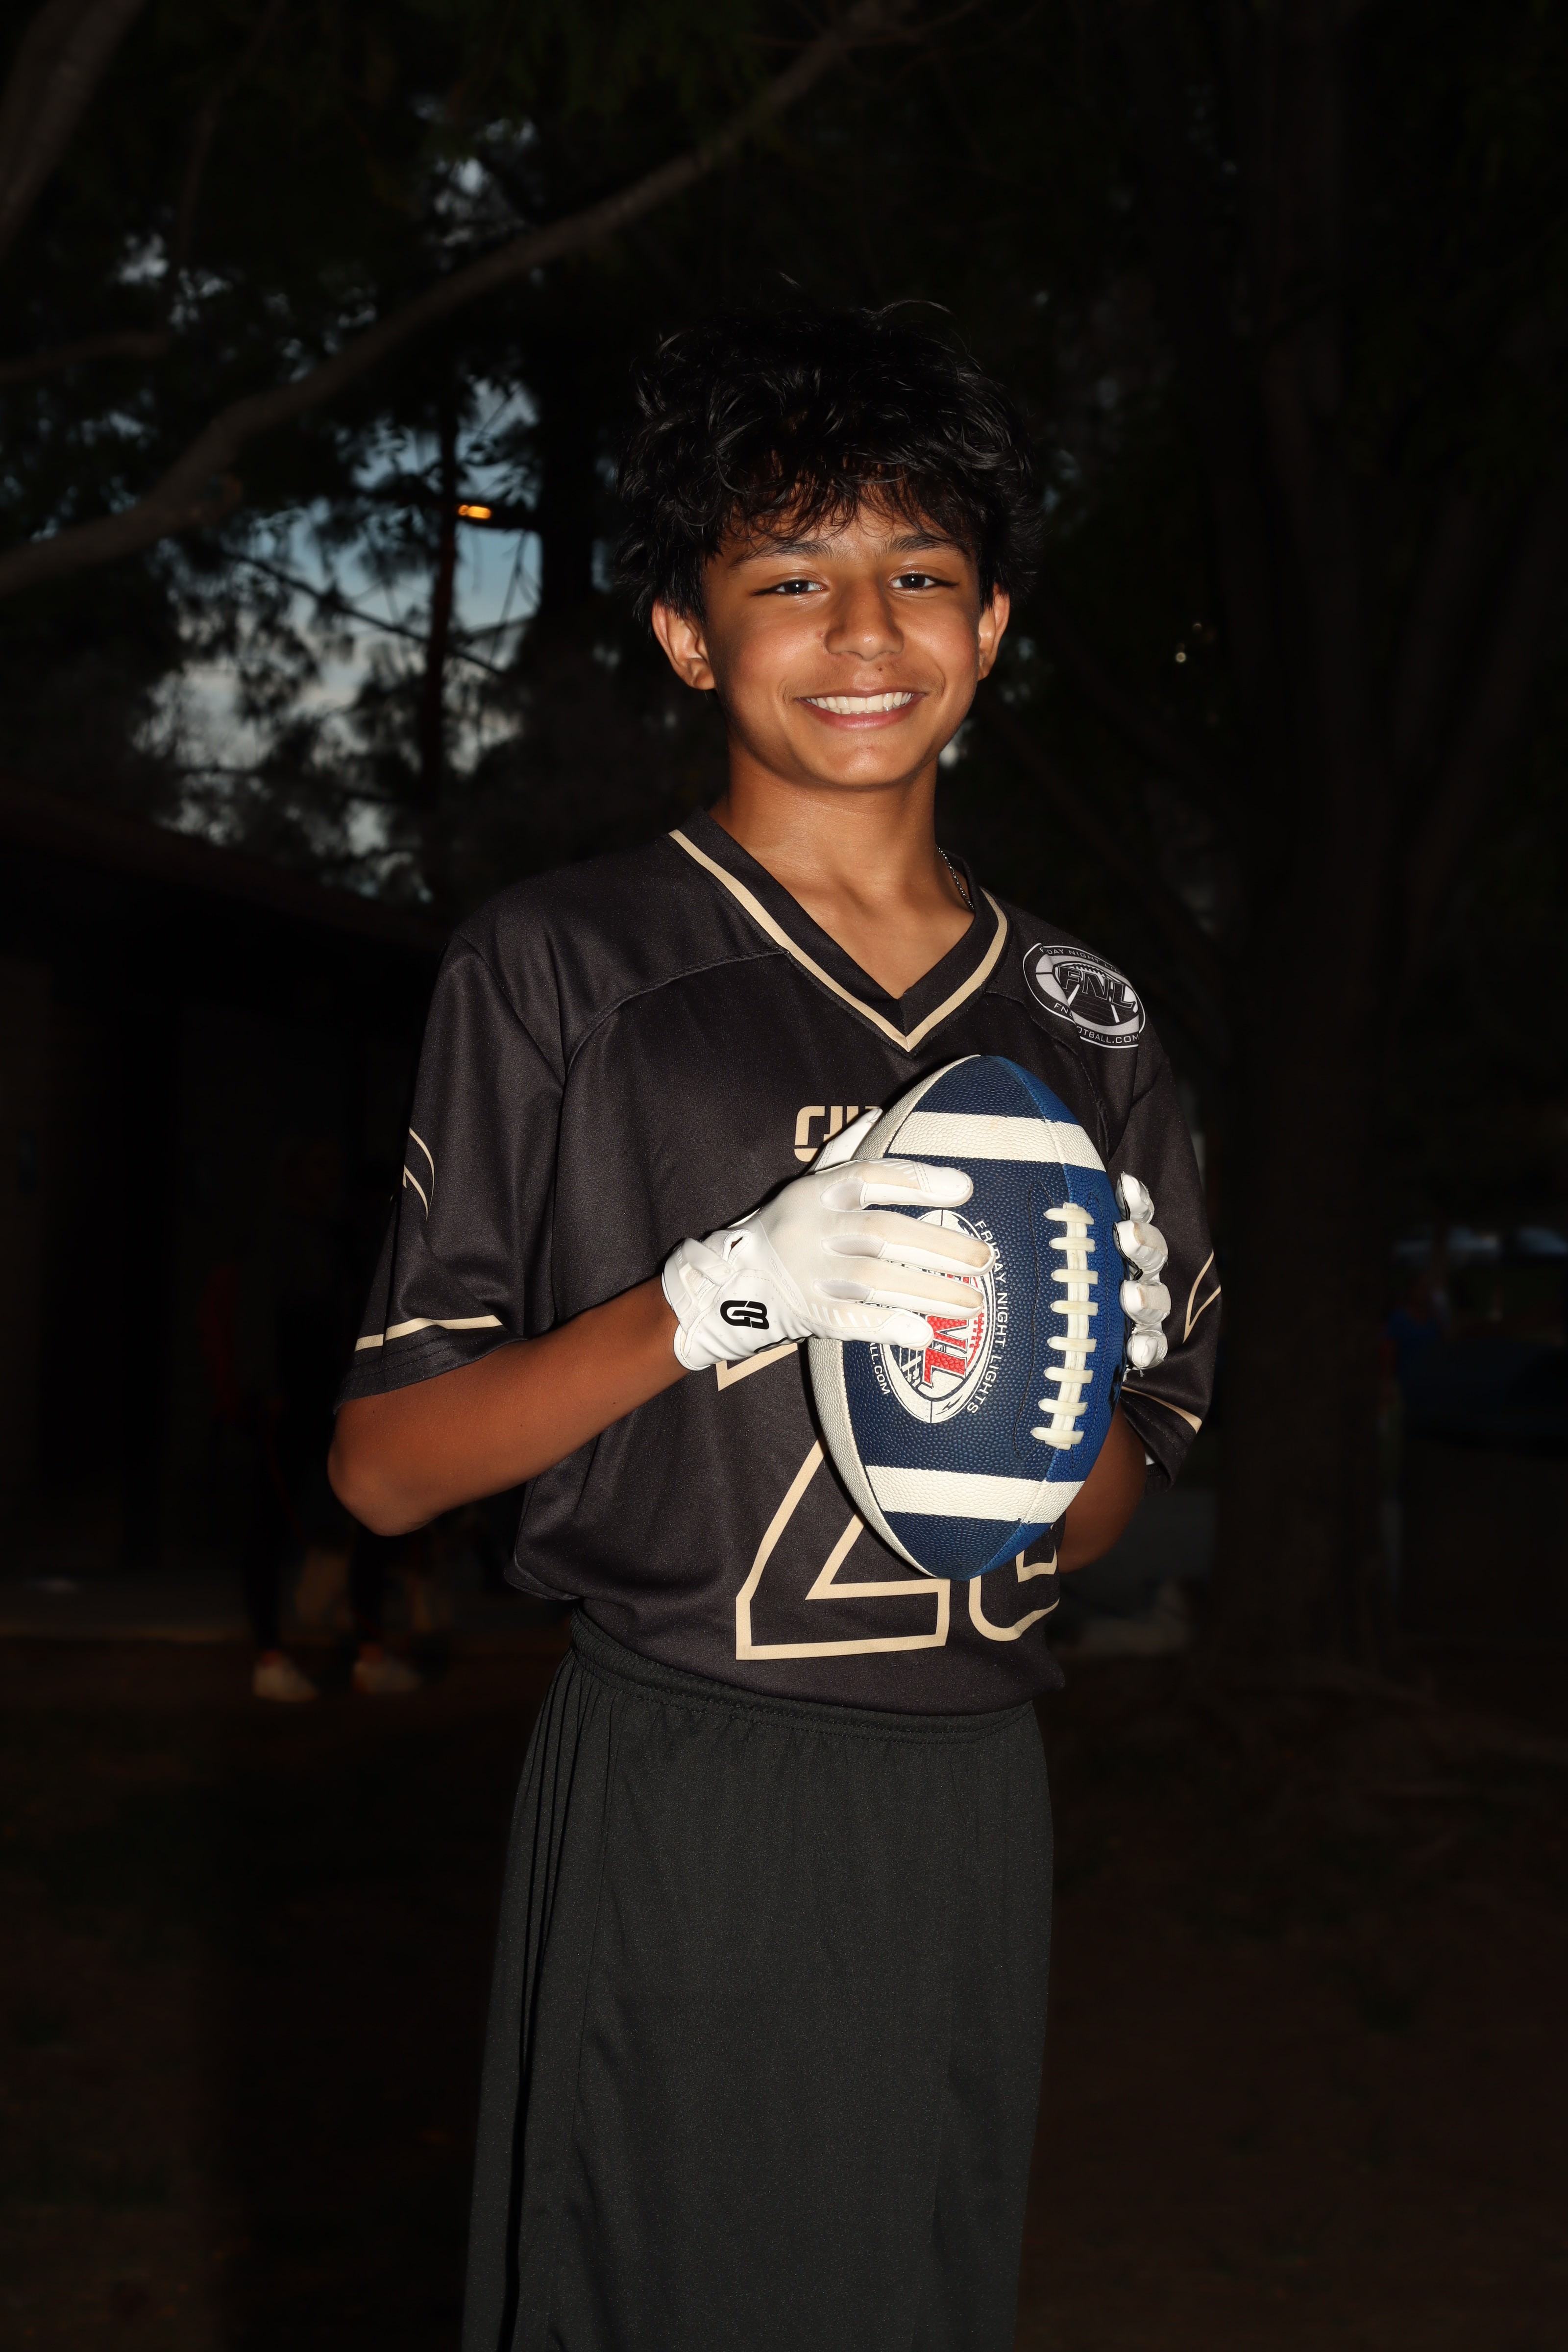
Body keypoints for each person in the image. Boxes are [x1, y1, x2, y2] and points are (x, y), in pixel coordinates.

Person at [330, 310, 1220, 2352]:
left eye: (919, 572)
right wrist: (720, 1296)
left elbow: (1090, 1525)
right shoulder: (565, 965)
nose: (863, 631)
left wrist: (1070, 1373)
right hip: (693, 1769)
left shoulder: (1085, 1028)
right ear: (684, 633)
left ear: (992, 626)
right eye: (789, 579)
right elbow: (382, 1470)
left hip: (973, 1793)